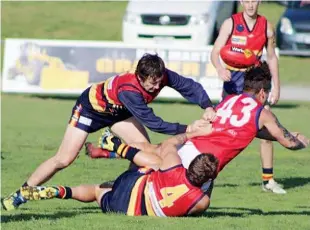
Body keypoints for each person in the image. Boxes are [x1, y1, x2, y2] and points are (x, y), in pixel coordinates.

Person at [2, 53, 215, 211]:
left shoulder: (160, 74)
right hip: (90, 110)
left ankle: (129, 188)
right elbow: (153, 122)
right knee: (64, 159)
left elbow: (188, 86)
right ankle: (22, 193)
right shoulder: (129, 89)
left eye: (159, 82)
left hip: (119, 113)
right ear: (140, 77)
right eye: (152, 84)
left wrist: (207, 106)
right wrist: (189, 129)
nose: (156, 87)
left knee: (148, 151)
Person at [103, 62, 309, 196]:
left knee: (155, 160)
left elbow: (248, 130)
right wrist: (300, 141)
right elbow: (289, 143)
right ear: (263, 92)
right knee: (163, 186)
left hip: (192, 145)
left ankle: (113, 157)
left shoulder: (230, 100)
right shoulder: (262, 112)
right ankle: (113, 180)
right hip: (202, 161)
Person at [18, 126, 219, 217]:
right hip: (130, 209)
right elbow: (194, 205)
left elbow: (170, 143)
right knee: (97, 191)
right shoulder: (202, 201)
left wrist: (195, 133)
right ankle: (61, 192)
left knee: (158, 161)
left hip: (135, 183)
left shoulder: (174, 167)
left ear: (190, 166)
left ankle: (115, 146)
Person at [210, 0, 283, 193]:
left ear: (259, 2)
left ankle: (268, 181)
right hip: (232, 79)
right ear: (242, 2)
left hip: (254, 79)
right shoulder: (230, 23)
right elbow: (215, 51)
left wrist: (276, 87)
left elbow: (272, 57)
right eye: (247, 1)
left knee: (268, 124)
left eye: (254, 1)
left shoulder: (267, 27)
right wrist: (219, 68)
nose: (250, 5)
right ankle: (205, 174)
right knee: (219, 128)